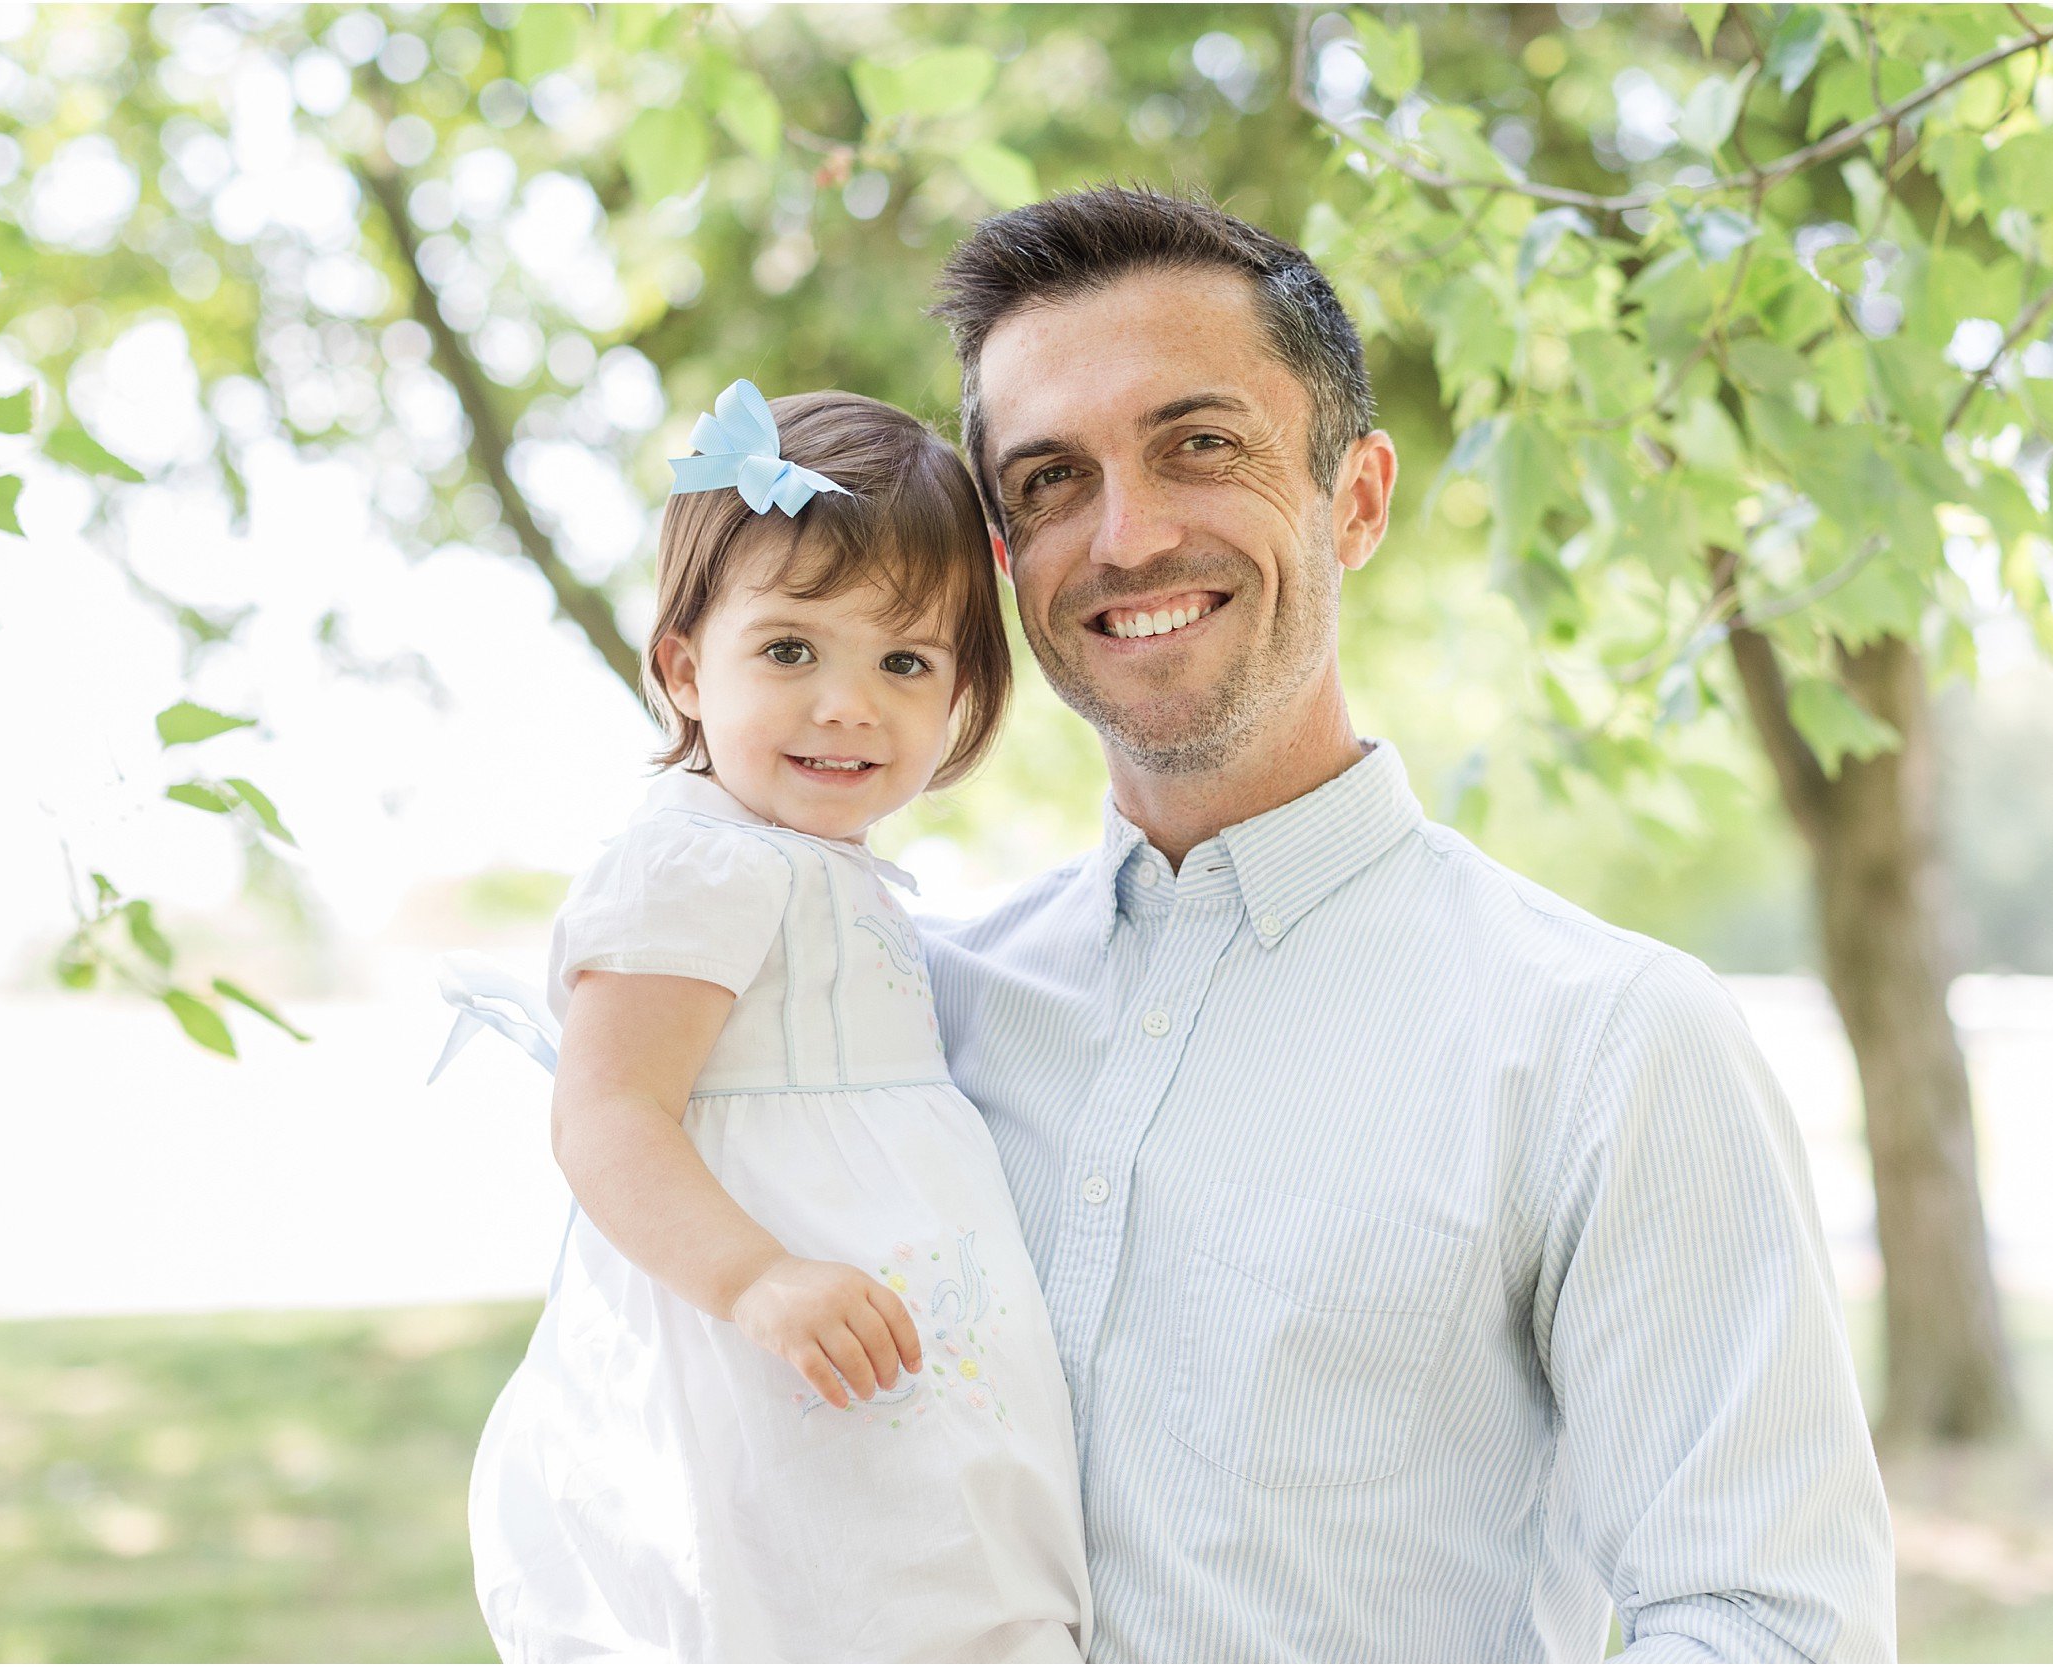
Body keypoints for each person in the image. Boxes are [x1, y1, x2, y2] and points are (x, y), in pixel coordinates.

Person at [920, 185, 1897, 1662]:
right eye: (1051, 479)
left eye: (1200, 444)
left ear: (1356, 497)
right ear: (1006, 559)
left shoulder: (1607, 1037)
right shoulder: (925, 1011)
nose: (1126, 535)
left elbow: (1771, 1619)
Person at [449, 380, 1091, 1662]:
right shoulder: (697, 859)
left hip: (888, 1359)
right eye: (791, 649)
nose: (846, 703)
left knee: (921, 1580)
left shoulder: (821, 866)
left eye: (902, 661)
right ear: (687, 666)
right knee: (799, 1597)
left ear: (960, 694)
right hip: (769, 1346)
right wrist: (755, 1277)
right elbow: (607, 1110)